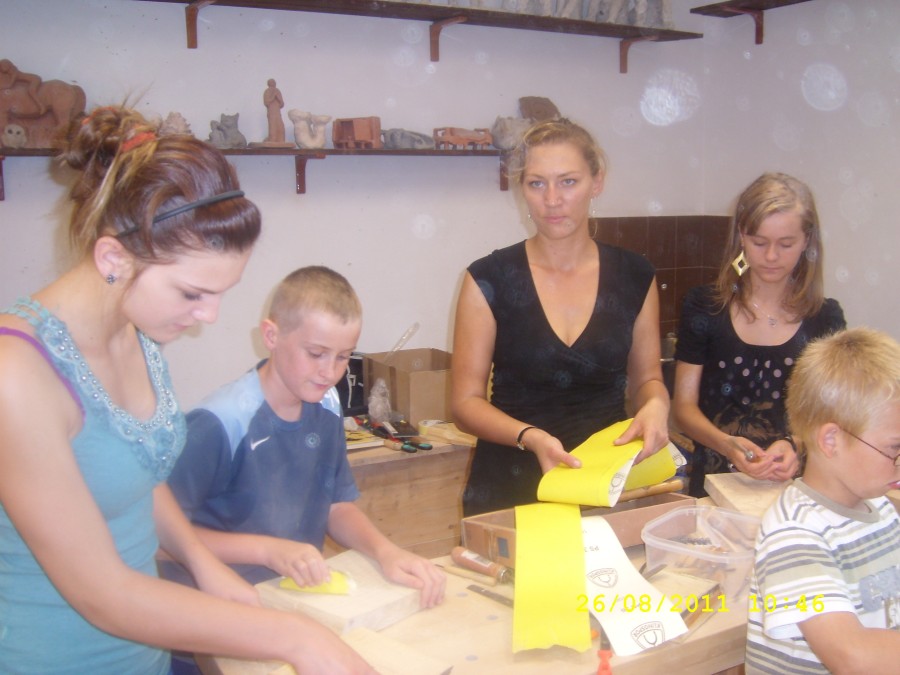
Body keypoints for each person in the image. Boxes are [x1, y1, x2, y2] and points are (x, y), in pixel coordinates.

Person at [0, 105, 374, 675]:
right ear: (113, 258)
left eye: (221, 293)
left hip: (141, 656)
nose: (209, 316)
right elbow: (102, 594)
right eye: (192, 294)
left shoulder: (136, 336)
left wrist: (201, 561)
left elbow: (138, 476)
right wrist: (297, 638)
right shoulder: (16, 375)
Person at [162, 266, 445, 673]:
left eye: (343, 356)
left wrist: (387, 551)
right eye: (316, 354)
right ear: (271, 336)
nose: (330, 372)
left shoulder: (326, 404)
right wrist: (267, 549)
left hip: (287, 608)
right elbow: (156, 538)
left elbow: (336, 504)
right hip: (207, 631)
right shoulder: (219, 423)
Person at [452, 118, 670, 516]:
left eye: (568, 182)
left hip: (600, 482)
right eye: (537, 183)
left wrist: (656, 404)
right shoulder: (488, 278)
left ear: (596, 182)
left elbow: (648, 380)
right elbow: (465, 403)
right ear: (522, 189)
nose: (552, 199)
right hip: (510, 484)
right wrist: (529, 436)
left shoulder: (635, 276)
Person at [673, 172, 846, 497]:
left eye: (786, 244)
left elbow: (832, 414)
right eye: (759, 242)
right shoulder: (705, 307)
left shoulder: (825, 319)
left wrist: (795, 444)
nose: (771, 256)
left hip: (797, 490)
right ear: (741, 235)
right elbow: (683, 408)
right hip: (715, 487)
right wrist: (726, 444)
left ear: (807, 241)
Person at [745, 327, 900, 674]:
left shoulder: (879, 507)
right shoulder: (793, 535)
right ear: (831, 441)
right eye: (895, 448)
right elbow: (852, 656)